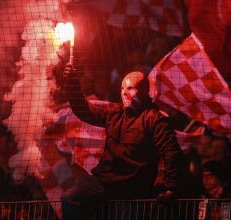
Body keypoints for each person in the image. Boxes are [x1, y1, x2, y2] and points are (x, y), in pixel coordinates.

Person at [61, 65, 184, 219]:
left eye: (131, 88)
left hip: (134, 188)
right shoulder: (114, 113)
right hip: (104, 181)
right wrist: (72, 82)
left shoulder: (154, 119)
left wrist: (170, 188)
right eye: (122, 88)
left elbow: (171, 153)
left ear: (145, 91)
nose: (124, 93)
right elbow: (83, 110)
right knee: (70, 198)